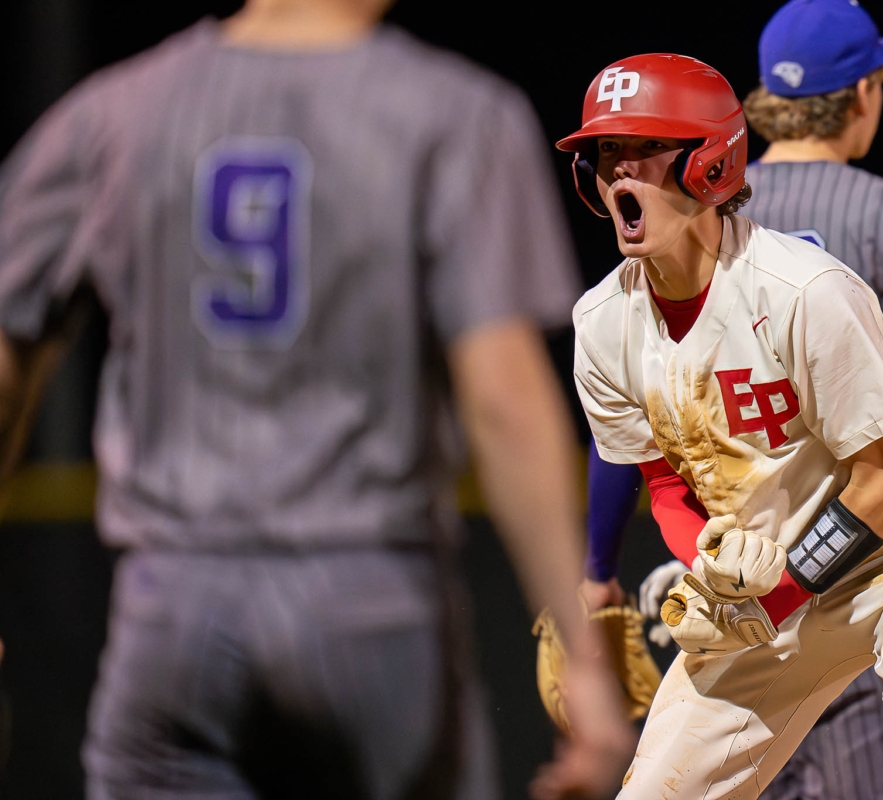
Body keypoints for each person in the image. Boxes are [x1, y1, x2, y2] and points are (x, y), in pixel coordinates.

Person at [0, 0, 635, 797]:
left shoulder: (115, 113)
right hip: (369, 603)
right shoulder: (455, 113)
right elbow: (503, 400)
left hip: (172, 605)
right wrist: (584, 661)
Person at [559, 51, 883, 799]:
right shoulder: (603, 322)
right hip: (768, 587)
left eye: (643, 150)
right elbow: (665, 476)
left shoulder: (806, 292)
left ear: (710, 164)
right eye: (606, 153)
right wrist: (711, 563)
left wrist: (775, 592)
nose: (618, 174)